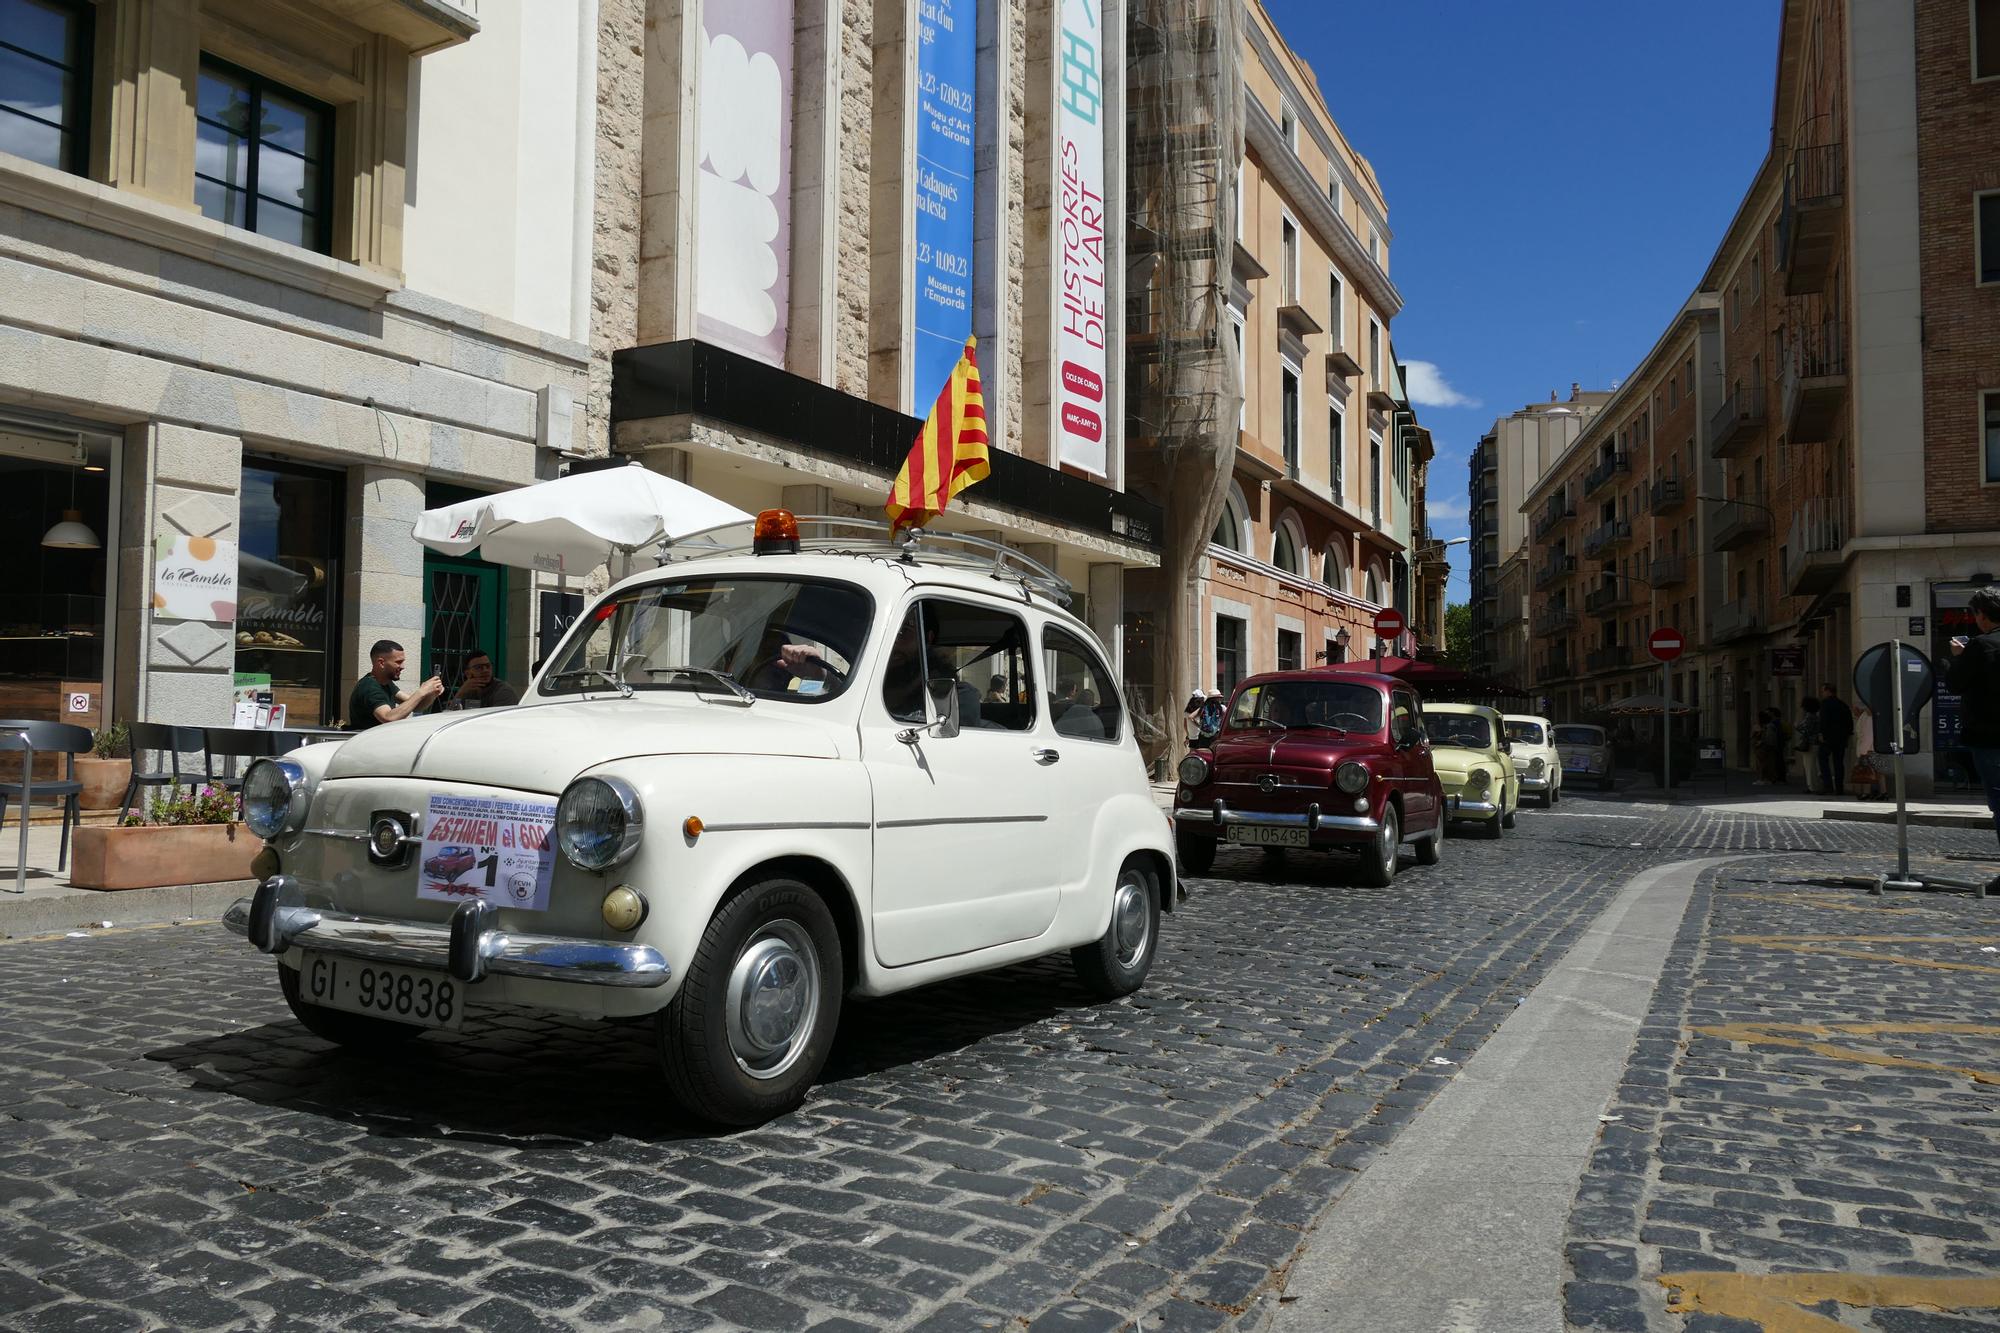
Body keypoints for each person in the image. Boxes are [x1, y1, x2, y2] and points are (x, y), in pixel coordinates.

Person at [1945, 585, 2000, 849]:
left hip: (1989, 737)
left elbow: (1955, 684)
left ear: (1982, 615)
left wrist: (1959, 657)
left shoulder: (1981, 645)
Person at [349, 639, 442, 732]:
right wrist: (421, 691)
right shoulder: (369, 687)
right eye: (398, 662)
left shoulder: (386, 683)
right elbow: (388, 717)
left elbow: (417, 706)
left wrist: (432, 693)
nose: (402, 667)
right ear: (381, 663)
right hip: (368, 743)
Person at [1815, 683, 1854, 797]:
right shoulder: (1843, 705)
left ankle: (1828, 786)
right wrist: (1847, 734)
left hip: (1828, 738)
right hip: (1841, 739)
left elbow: (1824, 720)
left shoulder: (1825, 704)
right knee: (1838, 763)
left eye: (1823, 691)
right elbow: (1849, 722)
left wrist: (1822, 734)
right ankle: (1839, 788)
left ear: (1828, 691)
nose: (1822, 694)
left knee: (1823, 760)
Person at [449, 649, 520, 709]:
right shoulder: (468, 690)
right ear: (468, 673)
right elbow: (450, 715)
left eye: (488, 666)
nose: (485, 670)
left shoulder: (503, 691)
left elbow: (498, 720)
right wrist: (461, 692)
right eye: (479, 667)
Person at [1852, 703, 1887, 801]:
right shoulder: (1872, 716)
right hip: (1875, 747)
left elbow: (1868, 736)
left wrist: (1863, 751)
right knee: (1878, 771)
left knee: (1867, 770)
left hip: (1869, 749)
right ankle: (1883, 792)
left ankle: (1867, 793)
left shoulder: (1868, 717)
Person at [1794, 697, 1822, 792]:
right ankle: (1813, 785)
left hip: (1810, 743)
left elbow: (1805, 729)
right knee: (1812, 765)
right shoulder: (1816, 716)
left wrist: (1797, 726)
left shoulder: (1809, 717)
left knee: (1810, 766)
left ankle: (1812, 786)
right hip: (1815, 742)